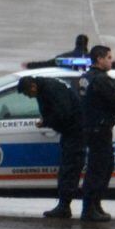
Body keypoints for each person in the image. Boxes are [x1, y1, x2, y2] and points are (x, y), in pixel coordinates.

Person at [78, 45, 115, 222]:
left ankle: (95, 205)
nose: (111, 61)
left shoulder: (85, 77)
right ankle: (90, 208)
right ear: (99, 59)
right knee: (99, 169)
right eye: (109, 58)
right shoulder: (101, 80)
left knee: (102, 167)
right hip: (100, 129)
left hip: (92, 128)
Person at [17, 76, 85, 219]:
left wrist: (46, 121)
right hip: (71, 132)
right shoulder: (46, 87)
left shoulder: (50, 89)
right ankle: (64, 205)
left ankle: (64, 207)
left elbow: (63, 113)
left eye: (27, 94)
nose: (29, 97)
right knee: (67, 168)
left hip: (75, 132)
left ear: (33, 87)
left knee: (69, 168)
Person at [23, 34, 115, 70]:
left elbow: (46, 64)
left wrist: (29, 65)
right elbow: (114, 65)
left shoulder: (64, 59)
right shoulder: (93, 59)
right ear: (87, 44)